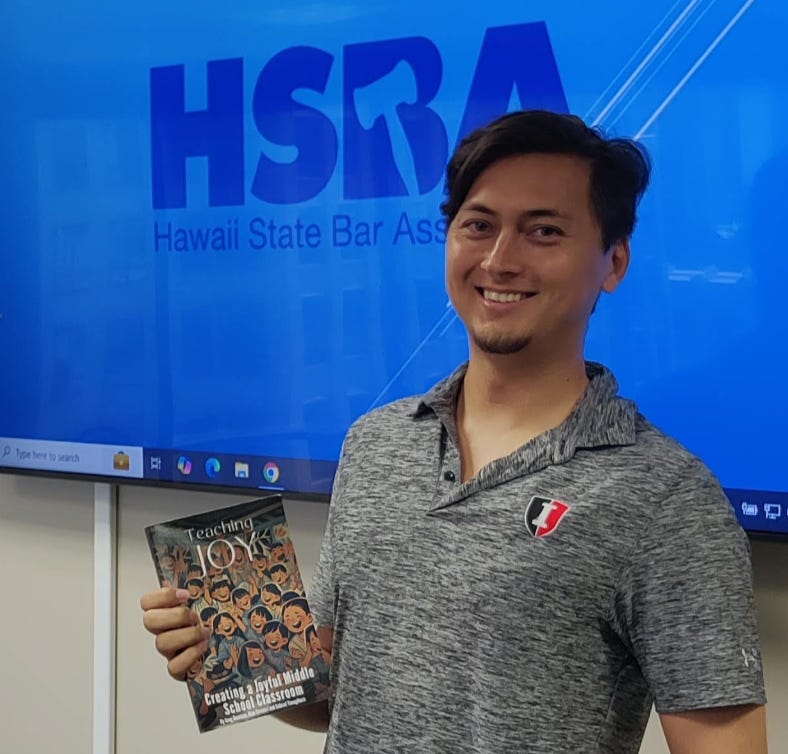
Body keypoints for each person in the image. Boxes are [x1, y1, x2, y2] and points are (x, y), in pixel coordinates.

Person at [140, 110, 767, 752]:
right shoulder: (376, 442)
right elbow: (334, 695)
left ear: (614, 262)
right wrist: (231, 648)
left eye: (544, 231)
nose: (500, 260)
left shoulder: (667, 498)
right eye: (478, 226)